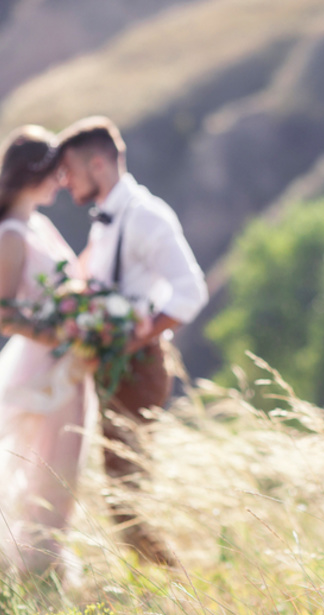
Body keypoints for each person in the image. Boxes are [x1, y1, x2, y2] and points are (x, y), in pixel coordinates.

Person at [57, 116, 208, 567]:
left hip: (138, 369)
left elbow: (191, 290)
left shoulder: (146, 216)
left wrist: (137, 336)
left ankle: (177, 587)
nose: (65, 183)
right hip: (111, 370)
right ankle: (160, 585)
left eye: (70, 171)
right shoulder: (106, 220)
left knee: (126, 499)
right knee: (122, 493)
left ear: (99, 164)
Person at [0, 125, 98, 584]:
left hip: (68, 360)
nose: (62, 182)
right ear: (34, 173)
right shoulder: (12, 235)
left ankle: (45, 563)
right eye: (55, 173)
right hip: (42, 363)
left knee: (64, 462)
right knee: (43, 462)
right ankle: (35, 567)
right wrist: (56, 333)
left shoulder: (39, 223)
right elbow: (3, 313)